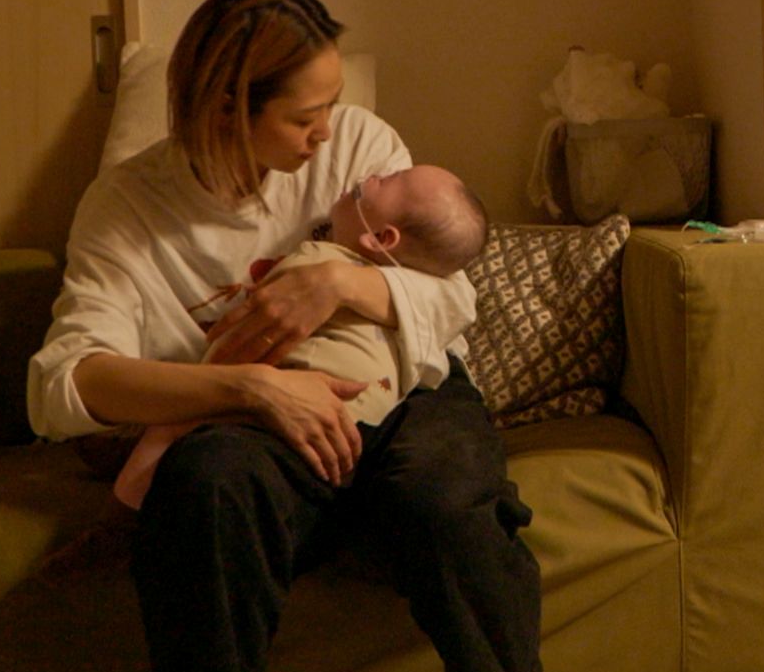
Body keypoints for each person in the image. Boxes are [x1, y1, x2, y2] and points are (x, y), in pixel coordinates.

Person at [27, 0, 544, 672]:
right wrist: (253, 388)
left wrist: (339, 283)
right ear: (226, 107)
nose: (328, 132)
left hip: (405, 383)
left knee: (444, 498)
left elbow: (453, 295)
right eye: (306, 116)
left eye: (331, 105)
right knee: (205, 487)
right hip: (252, 421)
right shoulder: (127, 208)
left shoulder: (362, 146)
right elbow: (65, 383)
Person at [111, 164, 491, 511]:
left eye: (389, 180)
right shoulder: (407, 307)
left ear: (381, 238)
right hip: (366, 424)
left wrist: (199, 388)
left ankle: (127, 501)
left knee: (175, 429)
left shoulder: (314, 259)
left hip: (294, 412)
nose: (375, 173)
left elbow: (245, 338)